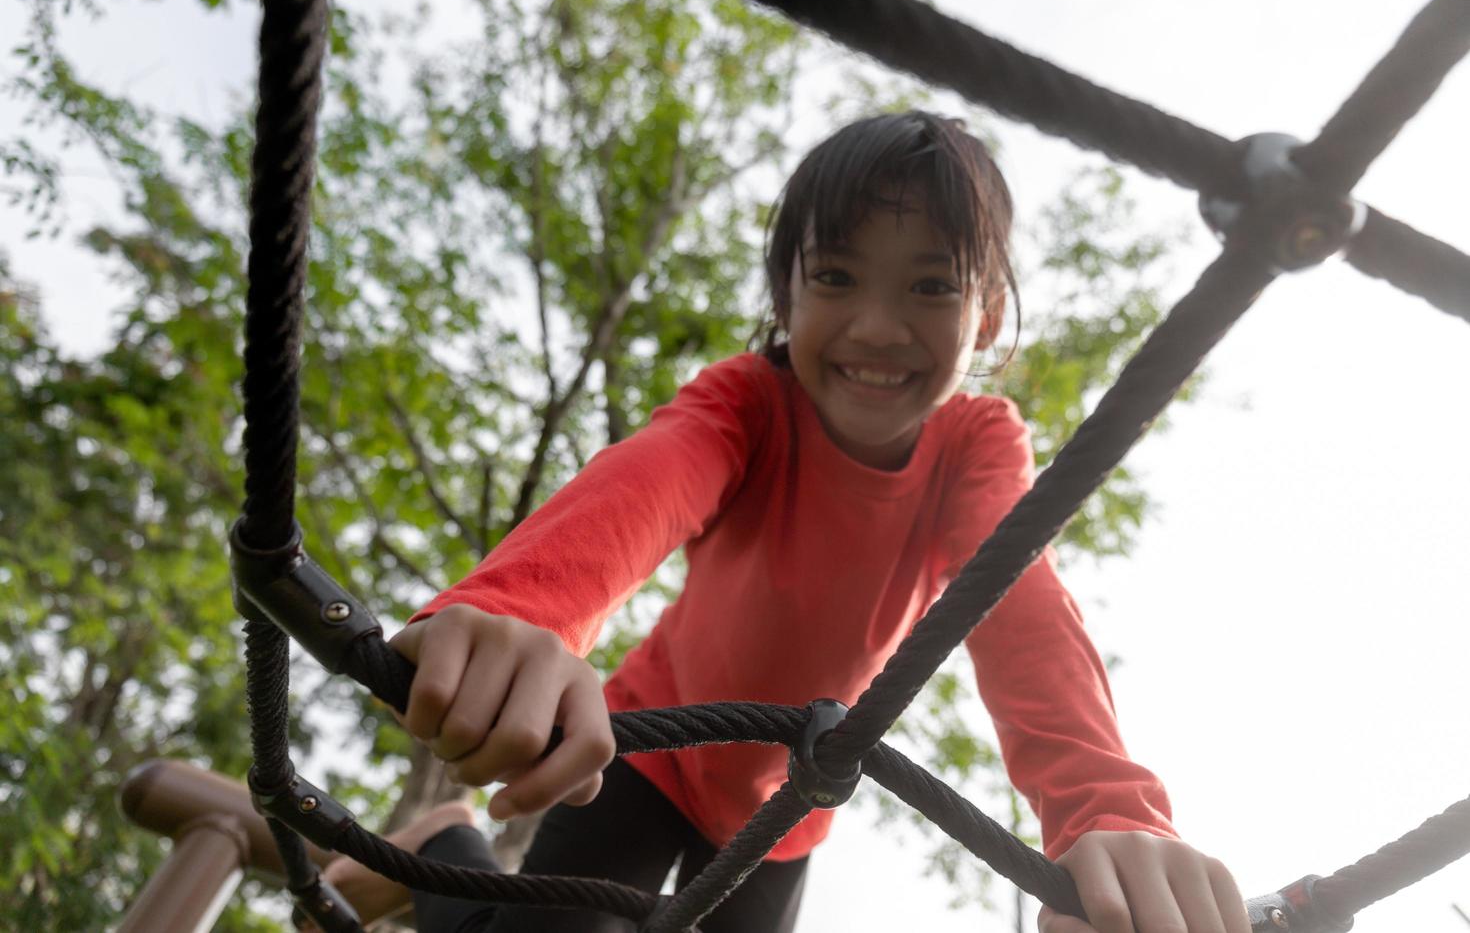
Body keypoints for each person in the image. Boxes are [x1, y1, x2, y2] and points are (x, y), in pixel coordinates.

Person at [323, 111, 1251, 933]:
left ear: (986, 315)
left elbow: (1015, 601)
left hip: (787, 809)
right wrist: (526, 608)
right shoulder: (752, 404)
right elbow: (645, 486)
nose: (878, 327)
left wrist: (1104, 807)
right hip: (647, 749)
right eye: (837, 277)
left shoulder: (974, 445)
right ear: (787, 298)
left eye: (931, 287)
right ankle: (448, 841)